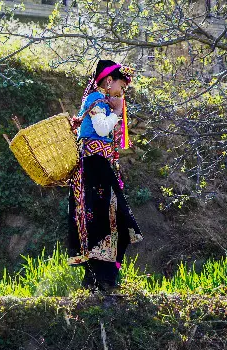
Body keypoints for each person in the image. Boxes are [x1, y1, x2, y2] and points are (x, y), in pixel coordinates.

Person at [67, 59, 143, 291]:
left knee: (112, 220)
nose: (122, 91)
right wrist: (118, 112)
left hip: (100, 166)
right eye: (121, 85)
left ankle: (104, 277)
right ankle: (99, 278)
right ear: (109, 81)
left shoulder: (101, 101)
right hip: (93, 167)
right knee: (100, 221)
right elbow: (101, 129)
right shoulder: (96, 100)